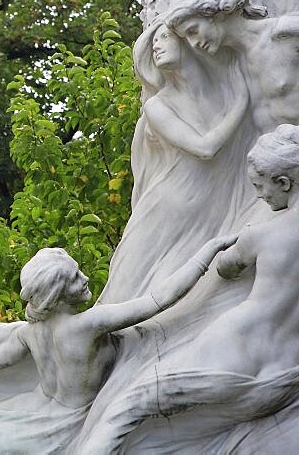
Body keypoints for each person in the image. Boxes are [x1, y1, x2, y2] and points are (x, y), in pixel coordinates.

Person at [73, 123, 299, 452]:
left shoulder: (263, 234)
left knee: (126, 410)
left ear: (284, 182)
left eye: (261, 187)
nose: (260, 197)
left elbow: (227, 266)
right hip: (284, 370)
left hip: (236, 347)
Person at [0, 237, 235, 452]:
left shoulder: (30, 332)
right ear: (56, 295)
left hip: (29, 412)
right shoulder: (87, 325)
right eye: (75, 278)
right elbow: (158, 300)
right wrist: (208, 249)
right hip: (68, 421)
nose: (85, 278)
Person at [99, 16, 251, 302]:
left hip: (209, 204)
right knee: (129, 289)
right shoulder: (157, 106)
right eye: (153, 42)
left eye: (164, 38)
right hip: (169, 206)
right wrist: (241, 103)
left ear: (187, 40)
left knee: (197, 294)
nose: (156, 46)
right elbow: (205, 149)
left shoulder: (222, 88)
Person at [166, 0, 299, 133]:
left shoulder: (282, 33)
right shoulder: (233, 65)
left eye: (192, 31)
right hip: (266, 151)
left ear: (216, 14)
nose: (193, 44)